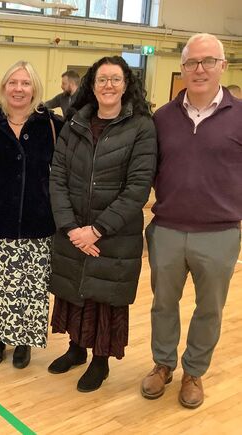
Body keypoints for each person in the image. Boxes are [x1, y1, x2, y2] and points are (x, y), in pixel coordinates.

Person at [141, 33, 242, 409]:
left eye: (207, 61)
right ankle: (163, 364)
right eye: (191, 63)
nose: (199, 69)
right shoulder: (162, 117)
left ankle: (194, 372)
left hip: (219, 234)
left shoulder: (241, 115)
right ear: (181, 68)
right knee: (163, 304)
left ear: (222, 66)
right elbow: (147, 171)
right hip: (166, 229)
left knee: (209, 309)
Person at [48, 55, 157, 392]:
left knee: (104, 298)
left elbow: (138, 188)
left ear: (127, 85)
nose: (108, 86)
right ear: (91, 86)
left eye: (115, 79)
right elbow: (58, 178)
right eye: (101, 80)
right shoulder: (74, 123)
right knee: (75, 292)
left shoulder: (141, 127)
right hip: (74, 230)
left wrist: (95, 230)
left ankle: (100, 362)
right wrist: (71, 228)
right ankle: (76, 350)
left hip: (113, 234)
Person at [0, 61, 63, 369]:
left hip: (37, 223)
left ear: (34, 88)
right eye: (13, 83)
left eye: (25, 83)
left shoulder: (52, 126)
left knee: (30, 290)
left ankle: (24, 342)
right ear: (3, 87)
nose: (19, 89)